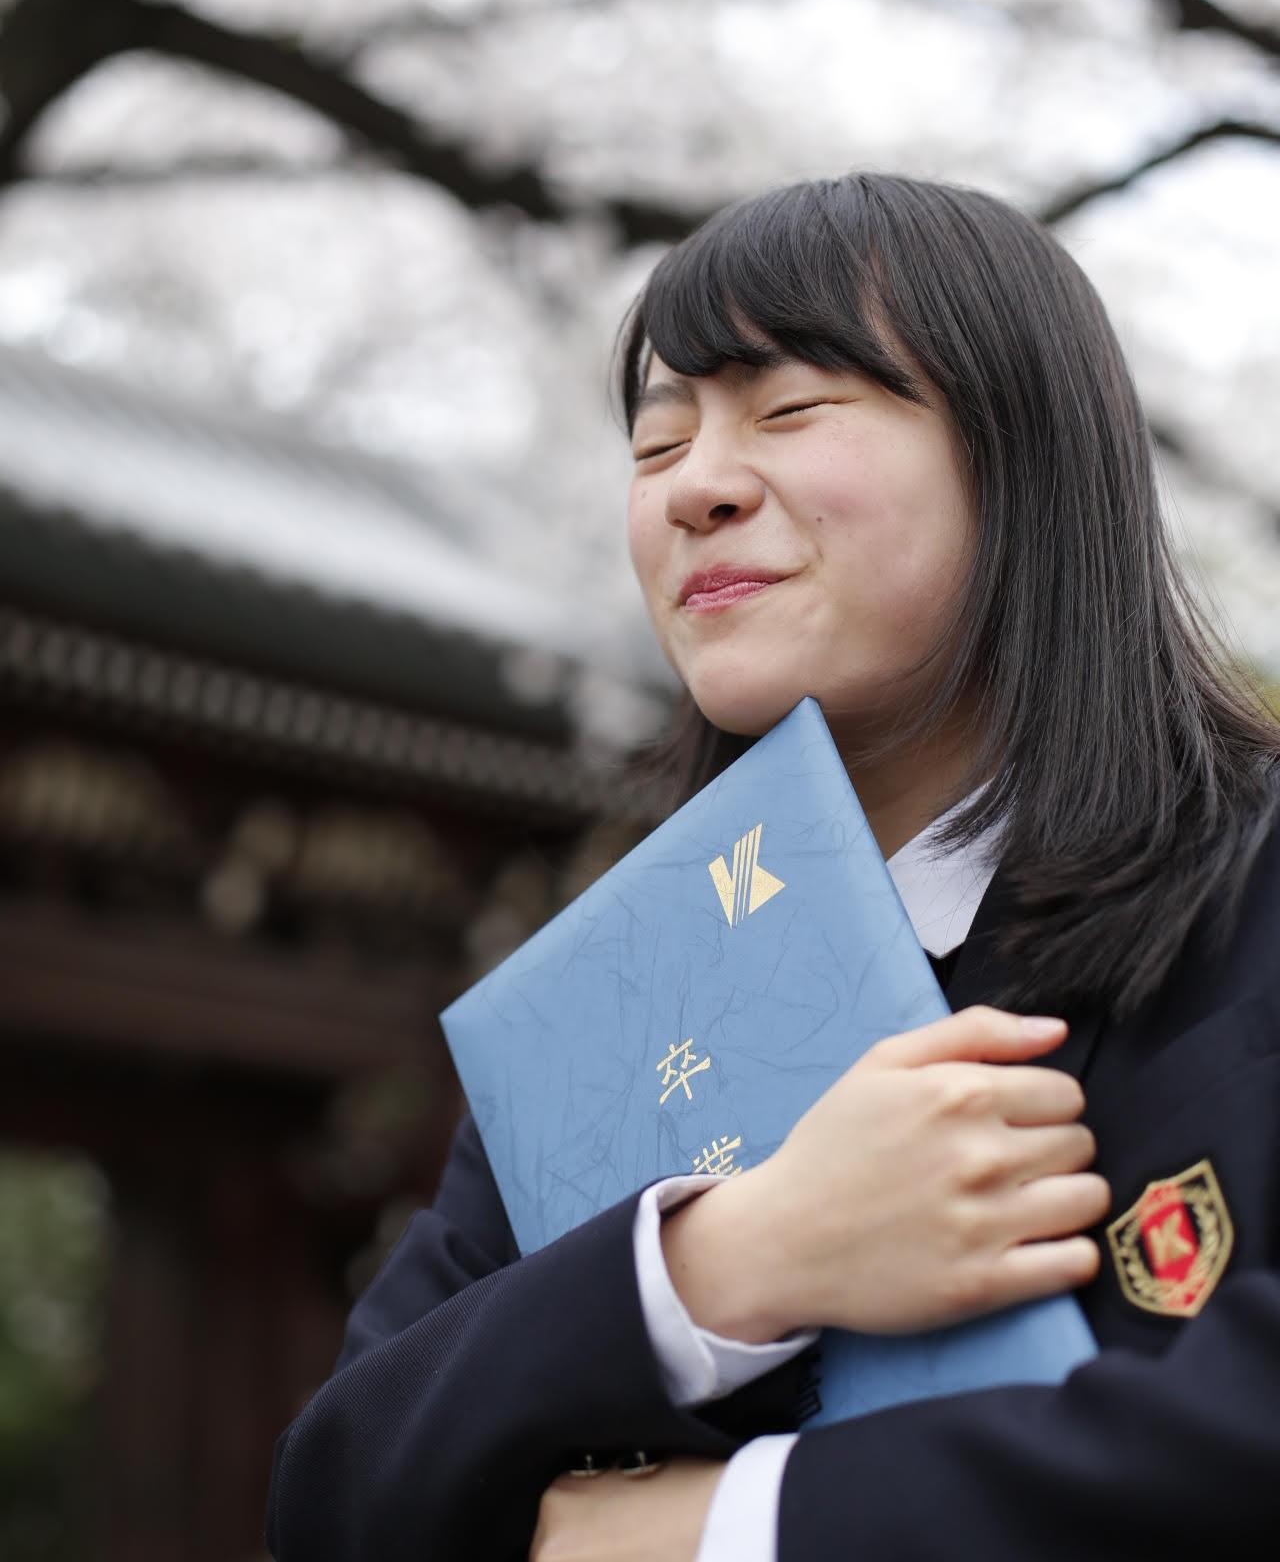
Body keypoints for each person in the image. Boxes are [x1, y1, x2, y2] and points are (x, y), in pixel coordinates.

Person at [266, 174, 1280, 1562]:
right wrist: (729, 1261)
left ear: (1025, 455)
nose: (697, 486)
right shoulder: (613, 1008)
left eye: (790, 409)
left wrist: (735, 1527)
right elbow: (340, 1497)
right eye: (656, 441)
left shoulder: (1255, 891)